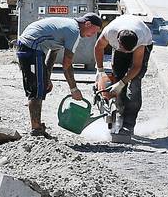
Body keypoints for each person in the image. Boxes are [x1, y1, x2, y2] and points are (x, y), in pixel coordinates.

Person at [13, 10, 104, 138]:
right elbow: (66, 65)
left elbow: (53, 51)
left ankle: (37, 126)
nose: (92, 35)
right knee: (36, 89)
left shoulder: (69, 26)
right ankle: (36, 129)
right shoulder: (74, 31)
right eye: (94, 31)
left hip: (30, 47)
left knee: (41, 86)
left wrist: (47, 77)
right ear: (87, 24)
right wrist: (74, 89)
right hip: (31, 47)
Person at [95, 12, 154, 141]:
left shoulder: (141, 40)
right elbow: (98, 48)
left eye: (129, 51)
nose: (127, 53)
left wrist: (121, 84)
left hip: (142, 44)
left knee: (134, 84)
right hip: (122, 37)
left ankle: (128, 125)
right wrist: (100, 71)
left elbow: (136, 67)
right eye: (124, 50)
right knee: (117, 76)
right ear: (118, 43)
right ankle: (119, 117)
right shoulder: (110, 33)